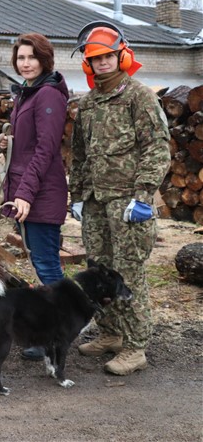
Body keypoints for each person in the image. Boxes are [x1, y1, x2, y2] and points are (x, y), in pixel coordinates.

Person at [69, 21, 170, 376]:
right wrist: (77, 195)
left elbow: (157, 148)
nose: (103, 63)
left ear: (122, 56)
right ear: (88, 63)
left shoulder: (139, 96)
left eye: (108, 56)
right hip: (96, 202)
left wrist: (143, 195)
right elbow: (79, 155)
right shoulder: (87, 104)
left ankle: (136, 346)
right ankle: (110, 333)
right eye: (96, 58)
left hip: (128, 203)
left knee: (128, 274)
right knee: (99, 271)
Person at [0, 33, 69, 360]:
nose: (25, 63)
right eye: (21, 58)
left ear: (44, 60)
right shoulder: (29, 92)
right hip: (29, 193)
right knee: (41, 265)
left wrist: (24, 194)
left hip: (41, 194)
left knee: (47, 266)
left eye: (32, 57)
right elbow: (28, 144)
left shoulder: (48, 94)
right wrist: (8, 141)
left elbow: (45, 149)